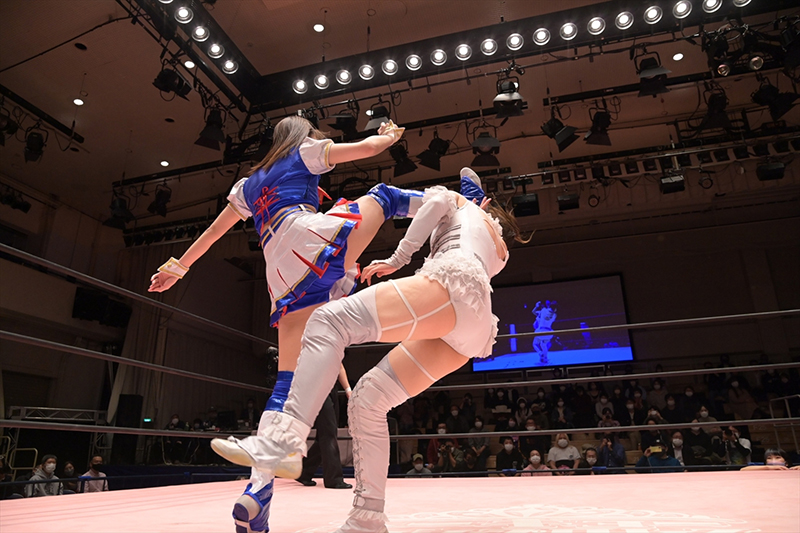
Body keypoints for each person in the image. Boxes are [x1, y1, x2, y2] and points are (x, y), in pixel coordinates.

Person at [211, 168, 528, 532]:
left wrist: (399, 258)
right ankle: (367, 519)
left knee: (328, 322)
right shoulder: (500, 246)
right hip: (472, 328)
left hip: (452, 286)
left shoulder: (458, 202)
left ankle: (284, 441)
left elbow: (436, 202)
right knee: (368, 399)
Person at [149, 115, 415, 533]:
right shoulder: (305, 151)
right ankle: (460, 211)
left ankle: (257, 494)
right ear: (302, 134)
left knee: (287, 384)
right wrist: (385, 136)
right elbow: (364, 151)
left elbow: (215, 231)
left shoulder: (246, 185)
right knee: (384, 196)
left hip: (281, 273)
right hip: (308, 241)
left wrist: (178, 267)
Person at [296, 380, 352, 490]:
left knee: (326, 432)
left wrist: (348, 389)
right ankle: (333, 479)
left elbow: (339, 366)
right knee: (328, 431)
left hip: (331, 387)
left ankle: (304, 471)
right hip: (316, 386)